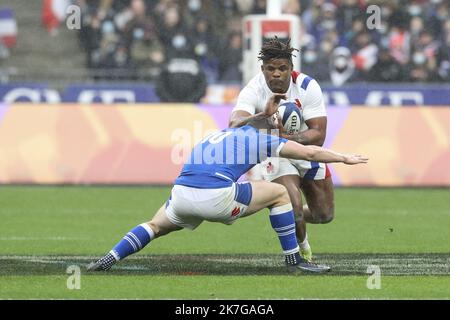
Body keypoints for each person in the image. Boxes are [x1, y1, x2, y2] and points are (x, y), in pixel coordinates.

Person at [88, 94, 368, 273]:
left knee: (155, 225)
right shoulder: (263, 139)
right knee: (280, 194)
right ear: (274, 128)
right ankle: (294, 262)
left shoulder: (224, 132)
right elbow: (309, 152)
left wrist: (263, 116)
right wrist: (344, 158)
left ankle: (110, 258)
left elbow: (249, 123)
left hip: (182, 193)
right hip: (216, 197)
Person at [229, 37, 334, 262]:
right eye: (270, 69)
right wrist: (262, 117)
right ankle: (304, 252)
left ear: (291, 69)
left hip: (307, 152)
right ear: (262, 69)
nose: (276, 74)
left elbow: (319, 135)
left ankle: (289, 216)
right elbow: (234, 123)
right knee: (294, 205)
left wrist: (285, 137)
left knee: (324, 215)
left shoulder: (307, 86)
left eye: (282, 68)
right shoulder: (254, 88)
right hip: (277, 155)